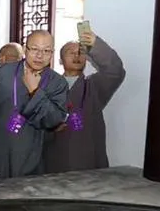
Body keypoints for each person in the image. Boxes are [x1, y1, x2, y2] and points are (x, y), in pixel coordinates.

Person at [0, 30, 69, 180]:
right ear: (24, 49)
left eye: (46, 51)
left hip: (31, 157)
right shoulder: (5, 72)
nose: (40, 55)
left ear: (52, 53)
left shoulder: (58, 83)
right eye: (34, 49)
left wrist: (35, 91)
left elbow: (54, 119)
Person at [44, 28, 126, 173]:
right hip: (54, 159)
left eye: (81, 52)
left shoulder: (94, 86)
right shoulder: (47, 88)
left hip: (87, 159)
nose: (77, 55)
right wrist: (50, 128)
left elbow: (115, 70)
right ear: (60, 60)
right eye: (70, 52)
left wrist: (95, 44)